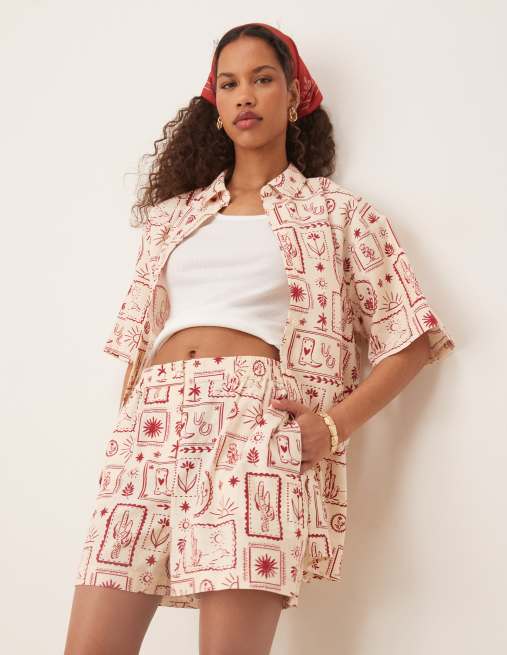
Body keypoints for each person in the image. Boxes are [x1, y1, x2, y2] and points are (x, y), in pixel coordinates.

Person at [64, 21, 456, 655]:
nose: (244, 95)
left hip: (252, 431)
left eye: (262, 79)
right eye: (229, 84)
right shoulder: (174, 218)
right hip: (149, 432)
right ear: (216, 105)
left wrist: (331, 428)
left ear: (294, 95)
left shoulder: (336, 213)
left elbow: (411, 338)